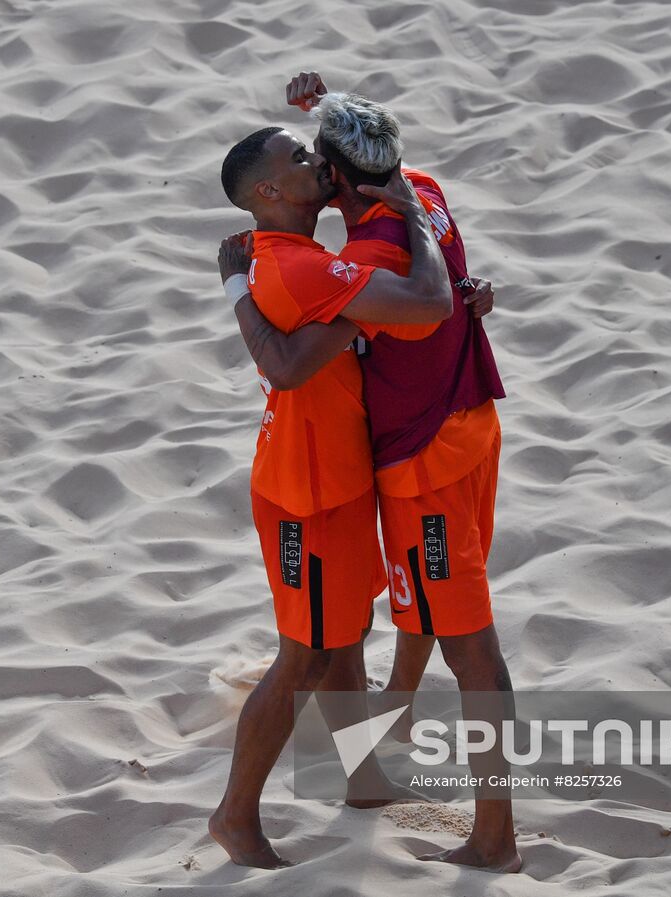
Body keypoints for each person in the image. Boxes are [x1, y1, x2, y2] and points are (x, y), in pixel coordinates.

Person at [217, 73, 519, 873]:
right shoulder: (396, 211)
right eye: (303, 159)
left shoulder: (349, 245)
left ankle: (372, 778)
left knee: (362, 630)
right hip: (323, 484)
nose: (318, 165)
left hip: (390, 464)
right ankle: (236, 817)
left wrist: (325, 105)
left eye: (324, 156)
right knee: (313, 652)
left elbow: (359, 157)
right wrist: (238, 287)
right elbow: (293, 364)